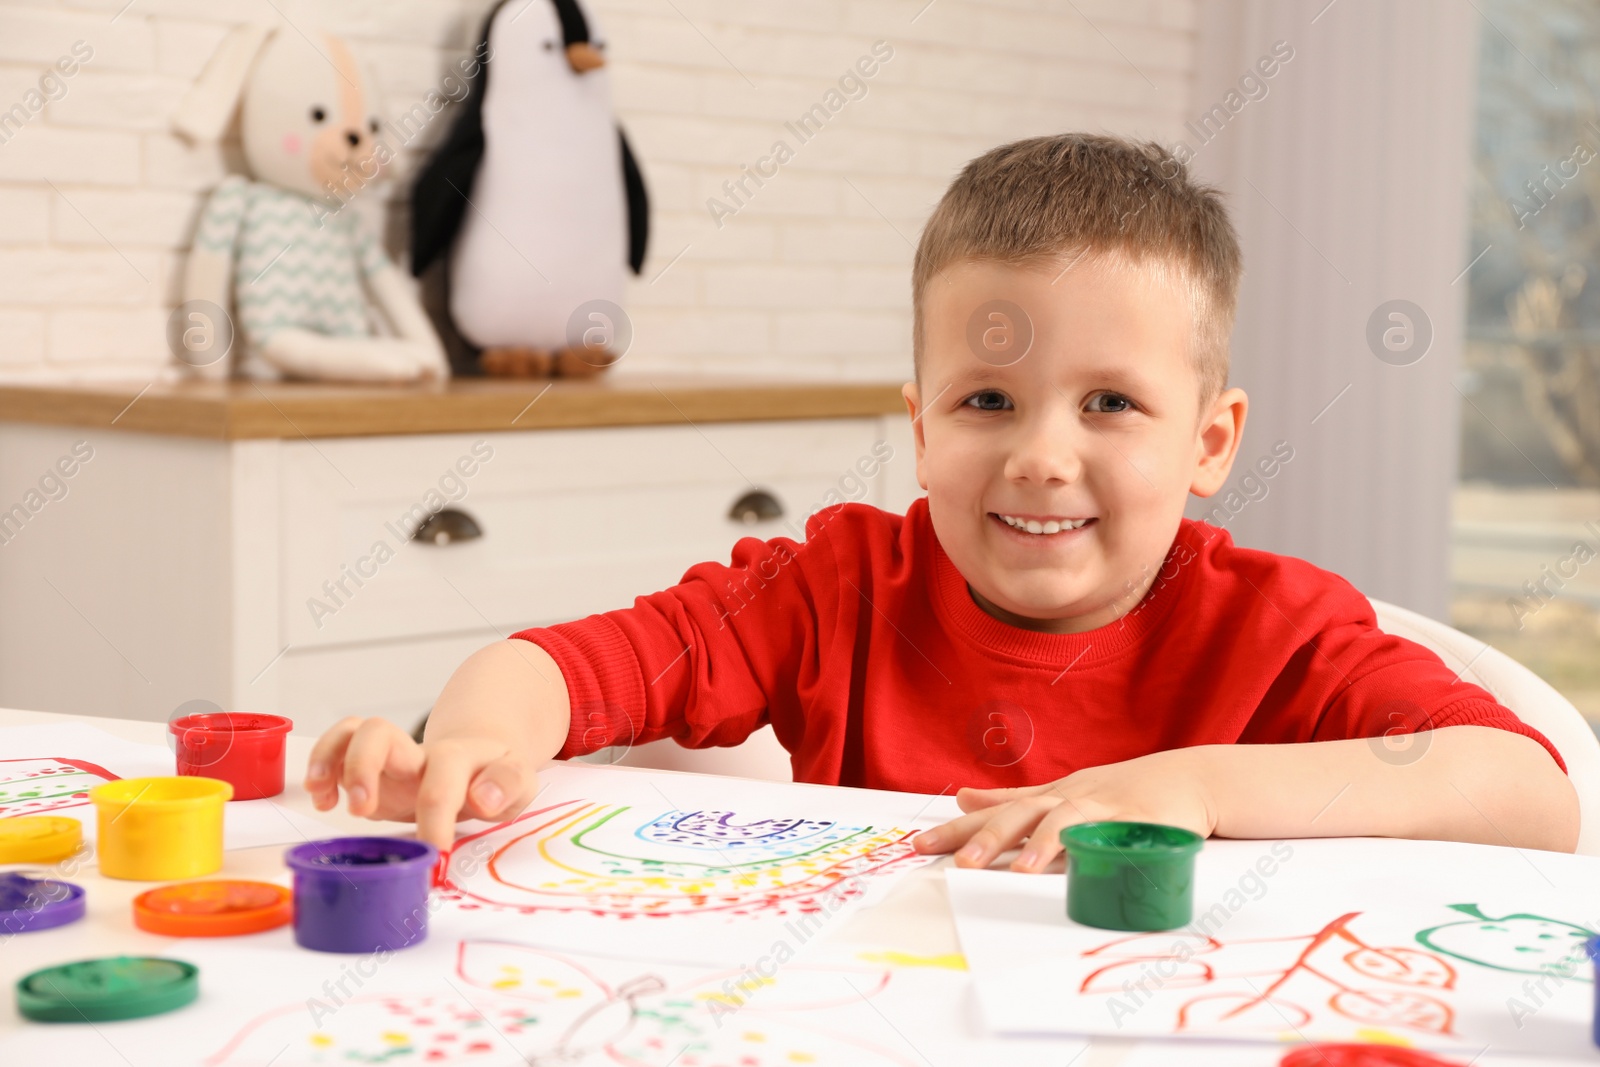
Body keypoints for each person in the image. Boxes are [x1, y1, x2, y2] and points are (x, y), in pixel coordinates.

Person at [306, 133, 1578, 865]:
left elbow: (1529, 791)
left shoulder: (1277, 628)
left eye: (1110, 404)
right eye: (986, 401)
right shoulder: (833, 585)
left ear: (1211, 438)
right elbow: (576, 664)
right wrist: (473, 737)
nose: (1037, 455)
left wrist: (1186, 788)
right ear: (918, 426)